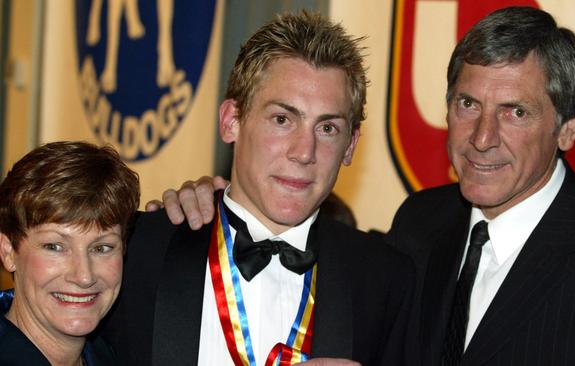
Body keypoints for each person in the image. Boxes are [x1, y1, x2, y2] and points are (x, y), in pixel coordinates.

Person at [162, 6, 575, 366]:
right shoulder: (419, 224)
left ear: (568, 128)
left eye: (515, 112)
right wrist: (210, 206)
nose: (482, 138)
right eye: (467, 104)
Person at [100, 11, 414, 366]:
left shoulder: (386, 281)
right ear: (231, 121)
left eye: (327, 129)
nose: (304, 152)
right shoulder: (139, 251)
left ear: (351, 145)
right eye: (282, 120)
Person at [0, 141, 140, 366]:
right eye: (55, 247)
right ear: (8, 251)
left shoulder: (119, 352)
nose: (84, 276)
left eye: (102, 248)